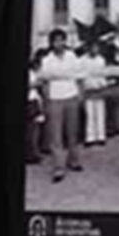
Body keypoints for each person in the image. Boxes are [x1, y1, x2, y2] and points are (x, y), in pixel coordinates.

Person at [34, 29, 86, 180]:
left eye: (62, 40)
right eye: (56, 40)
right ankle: (58, 167)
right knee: (55, 133)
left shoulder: (71, 57)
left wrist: (80, 95)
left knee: (72, 131)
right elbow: (43, 82)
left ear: (65, 41)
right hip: (55, 97)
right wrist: (46, 100)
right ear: (52, 43)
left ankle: (74, 160)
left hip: (71, 95)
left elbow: (80, 77)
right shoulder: (47, 60)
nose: (59, 43)